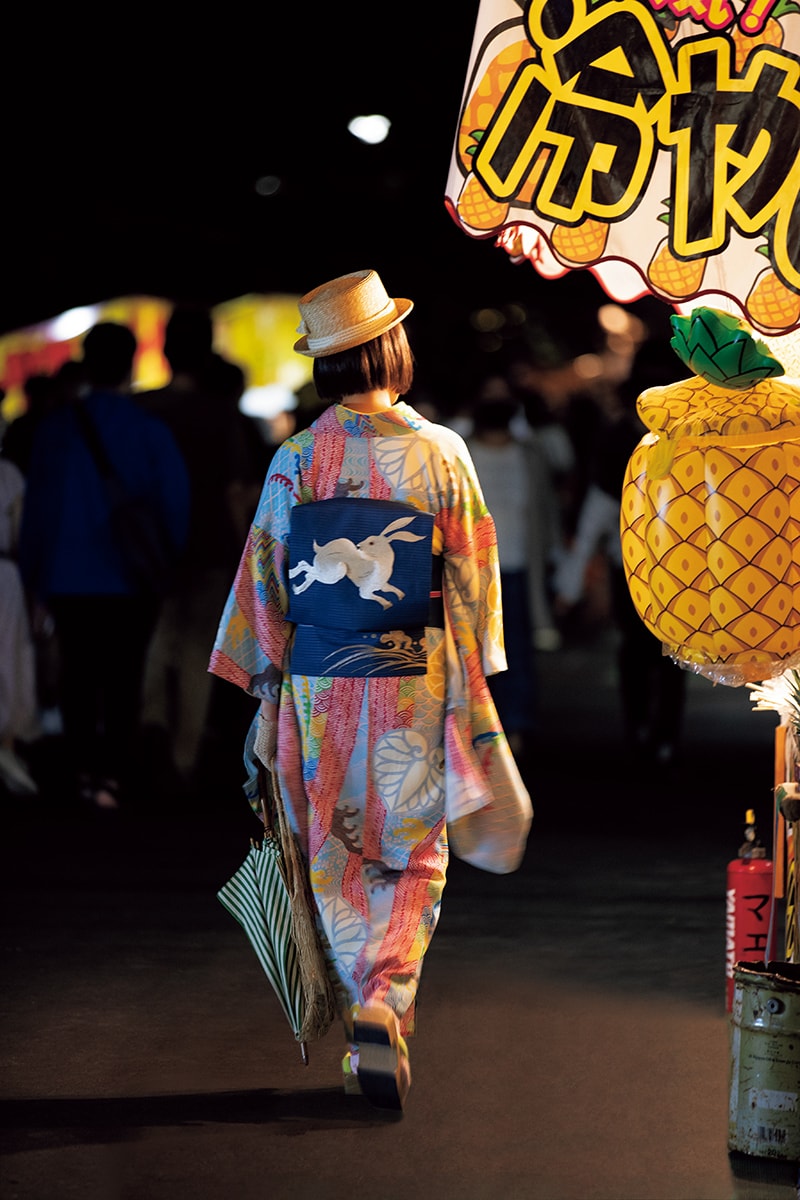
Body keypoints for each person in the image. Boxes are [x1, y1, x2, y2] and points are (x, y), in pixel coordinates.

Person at [209, 269, 532, 1111]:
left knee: (333, 849)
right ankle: (386, 1001)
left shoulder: (296, 458)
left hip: (321, 683)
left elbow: (267, 582)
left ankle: (365, 1005)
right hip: (410, 680)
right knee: (412, 850)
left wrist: (268, 685)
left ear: (325, 365)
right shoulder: (440, 453)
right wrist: (478, 670)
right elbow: (470, 575)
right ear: (395, 345)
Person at [18, 322, 190, 810]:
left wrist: (35, 577)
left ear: (87, 364)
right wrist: (165, 562)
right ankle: (115, 775)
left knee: (78, 675)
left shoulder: (56, 429)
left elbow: (39, 511)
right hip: (130, 577)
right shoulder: (149, 430)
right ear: (132, 362)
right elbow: (174, 505)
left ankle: (82, 772)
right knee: (123, 676)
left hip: (69, 575)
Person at [137, 305, 260, 793]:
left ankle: (148, 728)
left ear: (165, 350)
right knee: (195, 655)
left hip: (149, 551)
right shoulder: (220, 416)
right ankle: (184, 758)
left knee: (154, 643)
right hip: (210, 547)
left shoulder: (142, 410)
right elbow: (235, 491)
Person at [552, 335, 687, 765]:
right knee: (671, 651)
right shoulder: (687, 431)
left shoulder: (617, 435)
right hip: (679, 558)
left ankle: (640, 730)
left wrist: (571, 584)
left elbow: (597, 507)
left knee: (636, 648)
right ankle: (661, 736)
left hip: (628, 559)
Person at [466, 376, 547, 755]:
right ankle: (491, 731)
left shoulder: (529, 454)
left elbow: (544, 517)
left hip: (511, 567)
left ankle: (511, 731)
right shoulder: (461, 451)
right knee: (481, 652)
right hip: (475, 571)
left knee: (513, 652)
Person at [0, 429, 39, 796]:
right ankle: (8, 745)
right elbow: (18, 534)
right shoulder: (8, 473)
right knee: (9, 659)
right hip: (5, 577)